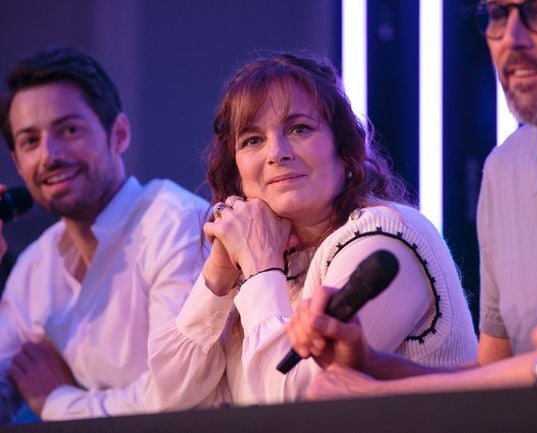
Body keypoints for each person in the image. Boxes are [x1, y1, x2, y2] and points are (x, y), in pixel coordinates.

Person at [142, 52, 478, 411]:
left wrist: (260, 265)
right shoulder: (270, 262)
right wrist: (218, 276)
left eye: (299, 129)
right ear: (237, 172)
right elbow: (164, 403)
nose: (277, 153)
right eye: (252, 140)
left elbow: (295, 409)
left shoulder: (385, 237)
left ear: (343, 148)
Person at [285, 0, 537, 398]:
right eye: (497, 15)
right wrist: (369, 365)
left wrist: (379, 398)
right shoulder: (505, 167)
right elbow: (493, 374)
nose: (512, 38)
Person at [0, 47, 209, 423]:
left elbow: (177, 400)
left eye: (69, 130)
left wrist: (58, 402)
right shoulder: (34, 267)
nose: (49, 155)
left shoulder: (175, 224)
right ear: (17, 163)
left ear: (119, 134)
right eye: (30, 141)